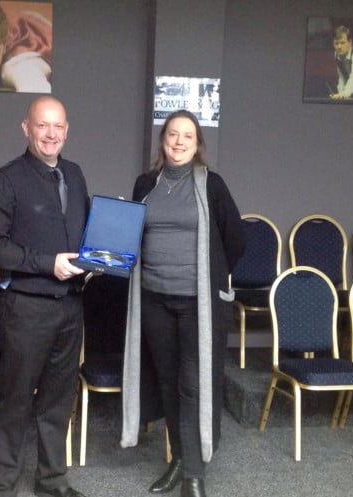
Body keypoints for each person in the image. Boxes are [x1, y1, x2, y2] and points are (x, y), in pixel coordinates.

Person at [120, 110, 246, 497]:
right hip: (154, 300)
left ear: (197, 144)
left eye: (187, 136)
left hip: (198, 306)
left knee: (192, 385)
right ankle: (178, 459)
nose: (178, 142)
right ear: (163, 140)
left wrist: (213, 275)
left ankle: (193, 473)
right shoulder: (146, 184)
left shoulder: (211, 185)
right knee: (169, 382)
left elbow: (236, 239)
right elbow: (132, 235)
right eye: (172, 134)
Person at [0, 96, 89, 497]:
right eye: (42, 125)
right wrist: (46, 263)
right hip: (26, 307)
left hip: (70, 306)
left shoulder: (74, 174)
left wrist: (98, 257)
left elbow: (84, 233)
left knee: (58, 400)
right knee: (16, 400)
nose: (51, 134)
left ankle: (51, 481)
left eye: (58, 126)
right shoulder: (3, 180)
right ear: (26, 128)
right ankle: (2, 486)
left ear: (67, 130)